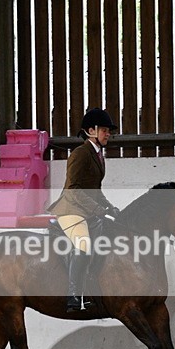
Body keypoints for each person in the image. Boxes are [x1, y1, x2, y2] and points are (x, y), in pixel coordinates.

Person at [47, 107, 119, 312]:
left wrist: (109, 207)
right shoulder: (80, 154)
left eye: (108, 131)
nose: (108, 134)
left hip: (86, 209)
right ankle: (73, 296)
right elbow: (74, 190)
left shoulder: (98, 155)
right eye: (104, 130)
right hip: (70, 209)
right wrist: (97, 209)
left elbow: (95, 189)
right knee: (84, 245)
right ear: (91, 131)